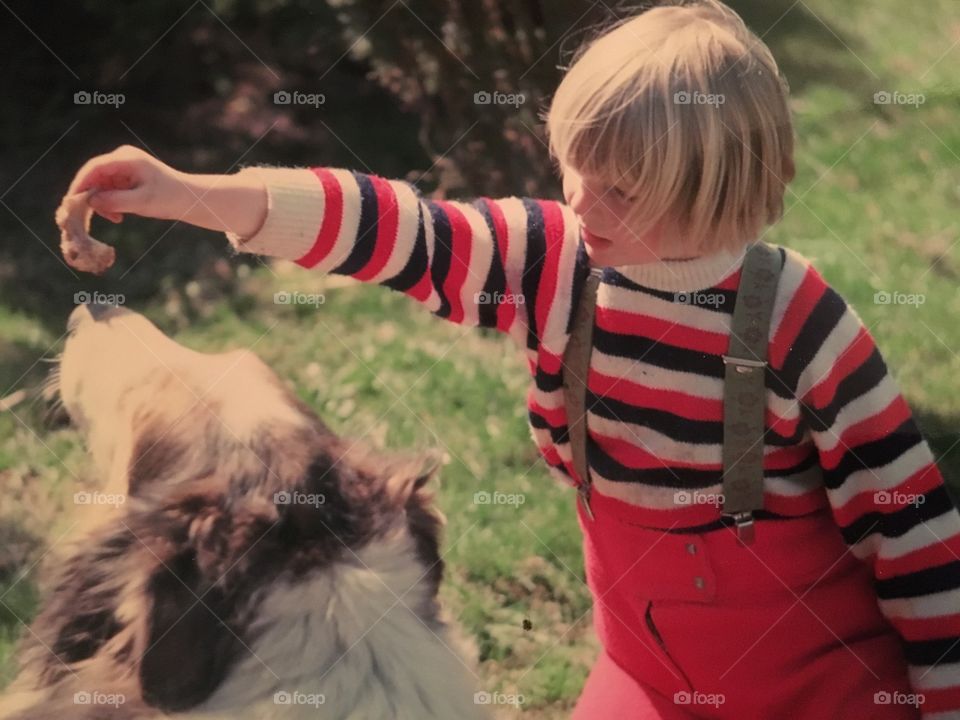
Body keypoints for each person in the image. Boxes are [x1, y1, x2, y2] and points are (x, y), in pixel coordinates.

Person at [64, 1, 960, 717]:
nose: (579, 198)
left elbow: (911, 531)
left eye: (619, 188)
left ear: (717, 185)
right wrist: (191, 194)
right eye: (573, 166)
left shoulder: (802, 329)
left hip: (815, 684)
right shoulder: (556, 259)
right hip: (646, 669)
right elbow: (395, 229)